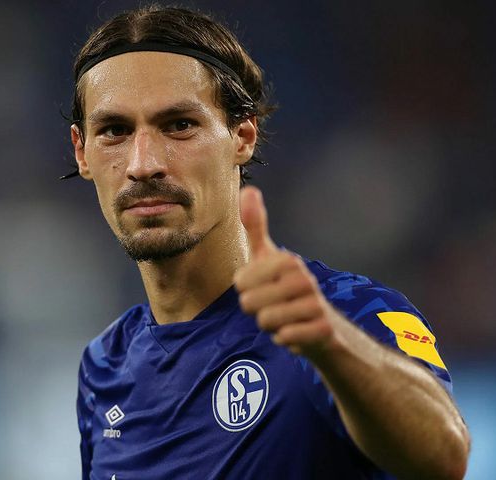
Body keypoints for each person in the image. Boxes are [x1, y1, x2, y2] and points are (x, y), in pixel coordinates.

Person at [68, 5, 470, 479]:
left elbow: (444, 457)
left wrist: (332, 343)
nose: (143, 163)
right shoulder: (105, 366)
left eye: (179, 125)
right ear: (82, 151)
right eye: (115, 131)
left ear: (242, 135)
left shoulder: (342, 314)